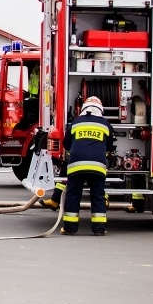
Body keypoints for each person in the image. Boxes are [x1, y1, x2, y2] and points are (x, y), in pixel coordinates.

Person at [60, 96, 116, 236]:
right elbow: (110, 146)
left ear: (83, 109)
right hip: (97, 166)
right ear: (100, 109)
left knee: (73, 195)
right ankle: (99, 229)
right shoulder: (105, 124)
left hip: (76, 166)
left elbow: (66, 144)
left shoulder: (75, 123)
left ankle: (69, 228)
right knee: (98, 195)